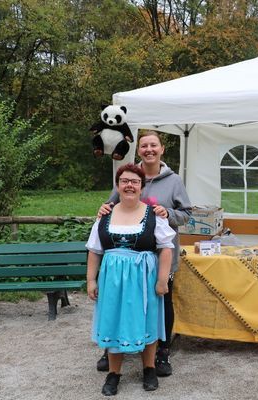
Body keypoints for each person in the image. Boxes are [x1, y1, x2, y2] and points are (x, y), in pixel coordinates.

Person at [96, 130, 192, 378]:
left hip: (161, 255)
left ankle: (161, 352)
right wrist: (104, 208)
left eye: (153, 145)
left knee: (162, 302)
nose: (149, 149)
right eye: (144, 146)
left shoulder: (174, 181)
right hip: (128, 255)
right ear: (138, 150)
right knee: (119, 300)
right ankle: (111, 347)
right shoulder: (130, 176)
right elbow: (111, 205)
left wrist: (167, 213)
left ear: (161, 149)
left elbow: (187, 214)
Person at [86, 163, 176, 395]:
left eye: (135, 182)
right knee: (114, 321)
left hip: (144, 278)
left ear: (141, 187)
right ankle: (114, 374)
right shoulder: (105, 215)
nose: (129, 185)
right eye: (124, 181)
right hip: (113, 281)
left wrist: (162, 280)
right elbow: (95, 250)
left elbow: (166, 248)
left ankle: (149, 369)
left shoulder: (153, 215)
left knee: (146, 320)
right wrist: (91, 281)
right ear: (118, 186)